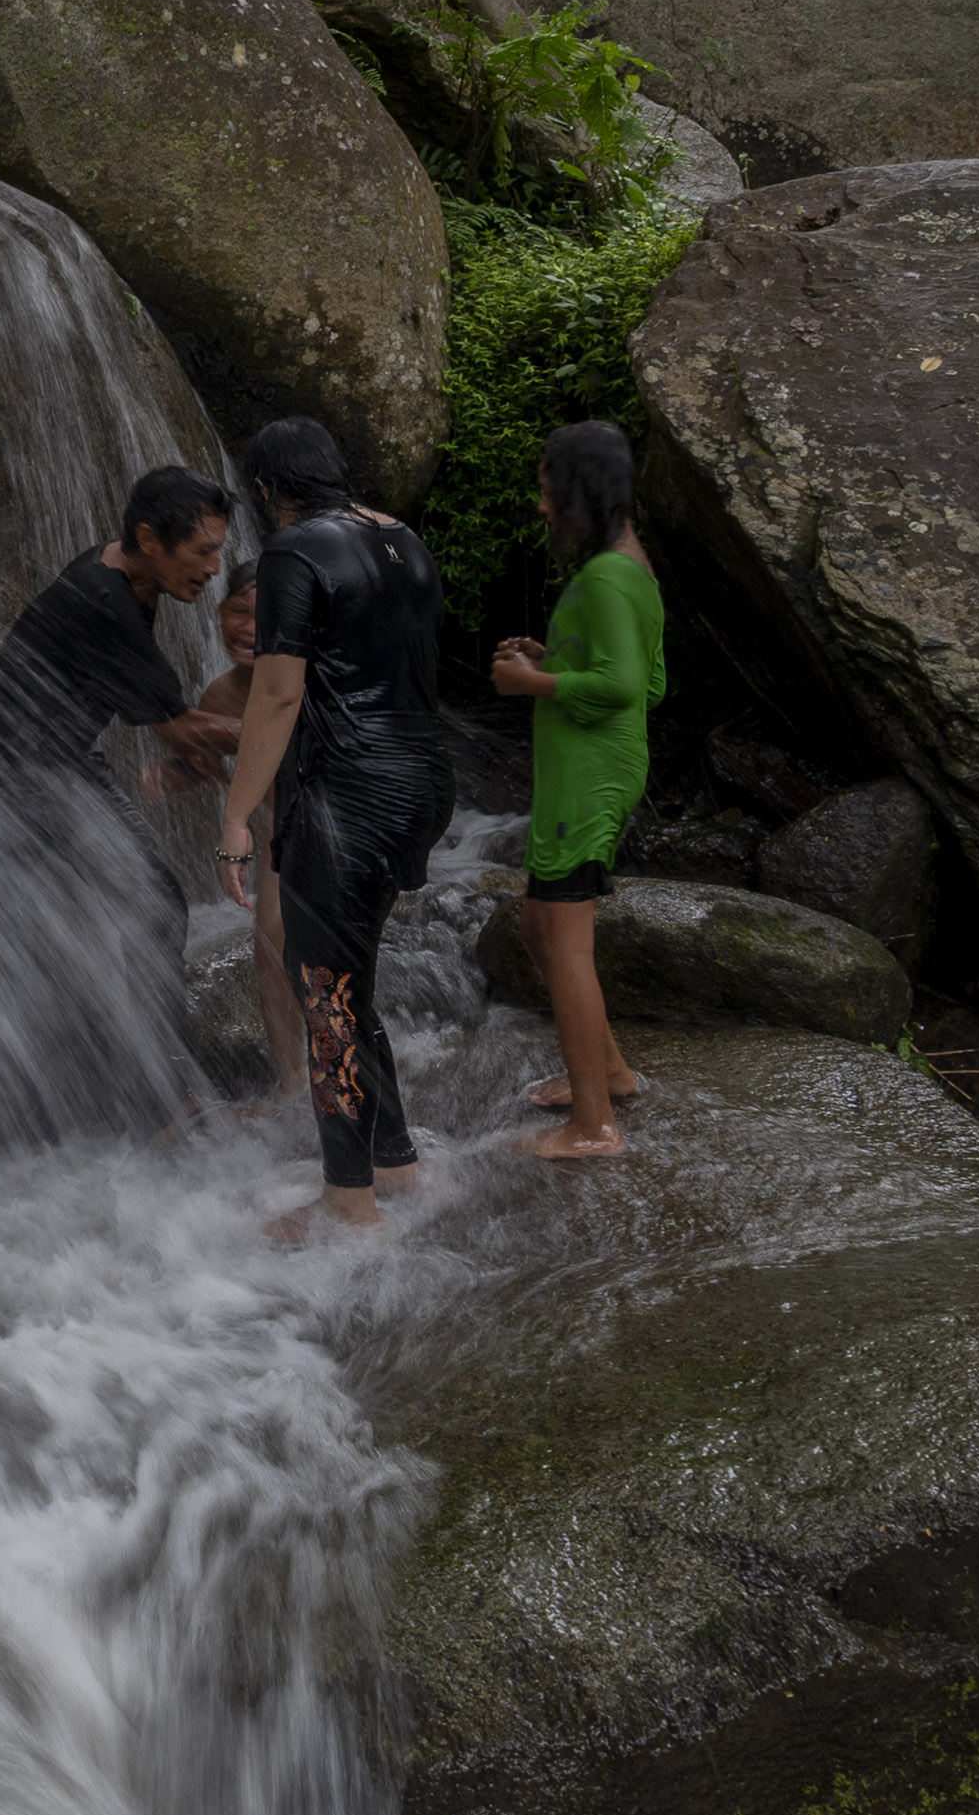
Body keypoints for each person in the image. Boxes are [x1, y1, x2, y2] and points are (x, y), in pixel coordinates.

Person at [212, 418, 456, 1238]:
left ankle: (348, 1200)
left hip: (343, 797)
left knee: (324, 992)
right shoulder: (404, 539)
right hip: (421, 782)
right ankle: (397, 1163)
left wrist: (237, 816)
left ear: (266, 489)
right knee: (348, 980)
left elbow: (278, 695)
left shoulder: (294, 551)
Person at [0, 466, 246, 1045]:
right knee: (150, 908)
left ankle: (120, 1075)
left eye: (220, 552)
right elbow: (181, 732)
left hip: (49, 757)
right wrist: (289, 726)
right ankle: (156, 1093)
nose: (214, 570)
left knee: (109, 917)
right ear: (148, 539)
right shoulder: (104, 600)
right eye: (203, 551)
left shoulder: (122, 569)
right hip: (10, 773)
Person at [489, 420, 665, 1162]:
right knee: (538, 925)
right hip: (589, 770)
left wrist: (535, 681)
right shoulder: (628, 565)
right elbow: (647, 676)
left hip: (589, 777)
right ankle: (611, 1072)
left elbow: (627, 686)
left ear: (579, 491)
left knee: (564, 940)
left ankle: (594, 1126)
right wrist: (552, 654)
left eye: (547, 491)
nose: (542, 507)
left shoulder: (605, 577)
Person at [190, 569, 309, 1109]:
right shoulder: (222, 691)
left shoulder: (303, 680)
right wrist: (173, 773)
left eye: (264, 618)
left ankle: (340, 1065)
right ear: (217, 614)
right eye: (237, 611)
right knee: (269, 952)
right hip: (272, 839)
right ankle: (294, 1080)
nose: (247, 628)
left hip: (320, 830)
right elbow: (207, 755)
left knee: (302, 945)